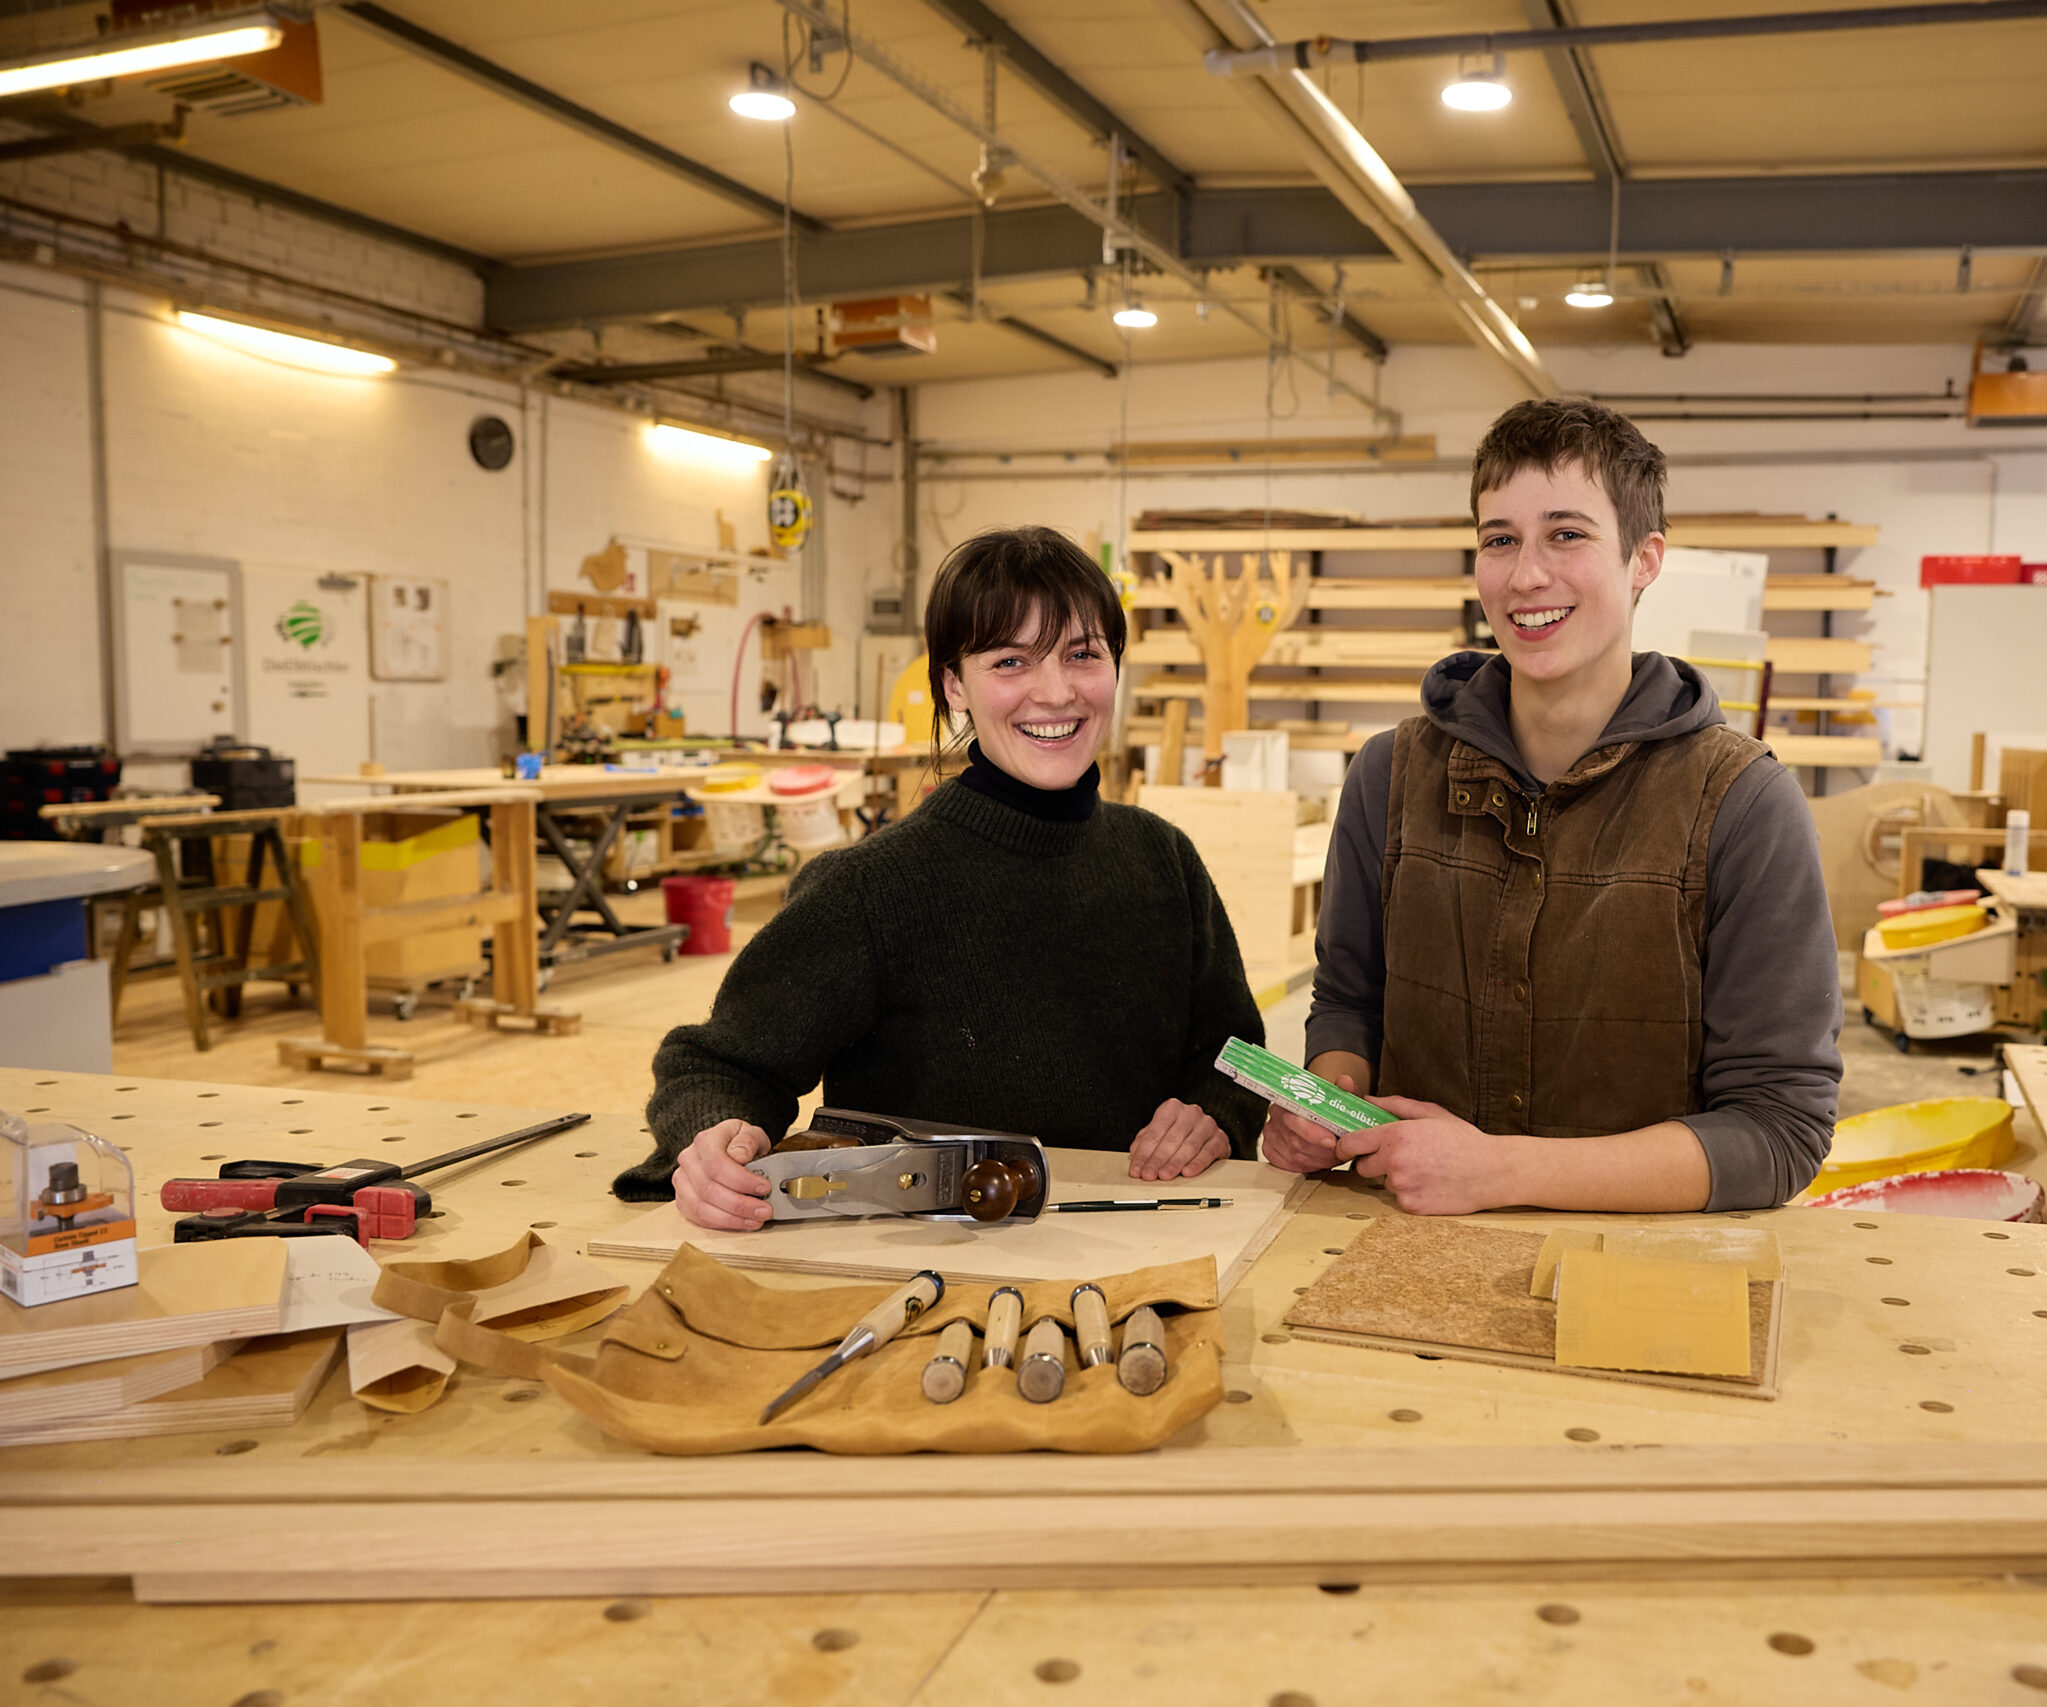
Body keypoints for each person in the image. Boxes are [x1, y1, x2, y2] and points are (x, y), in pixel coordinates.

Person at [1263, 398, 1841, 1215]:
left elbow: (1779, 1129)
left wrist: (1497, 1171)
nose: (1526, 575)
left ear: (1645, 559)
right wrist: (1327, 1101)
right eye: (1500, 538)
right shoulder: (1389, 777)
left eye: (1566, 534)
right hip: (1404, 1258)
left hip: (1641, 1282)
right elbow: (1351, 1005)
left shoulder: (1745, 807)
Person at [616, 526, 1268, 1230]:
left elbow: (1236, 1056)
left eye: (1083, 654)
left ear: (1115, 665)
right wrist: (715, 1135)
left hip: (1138, 1253)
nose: (1055, 692)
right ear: (954, 683)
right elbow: (716, 1064)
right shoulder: (872, 889)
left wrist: (1214, 1114)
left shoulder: (1163, 861)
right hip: (929, 1282)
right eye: (1011, 660)